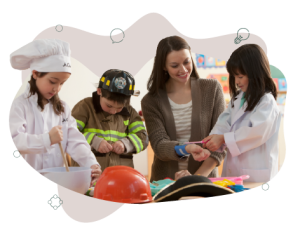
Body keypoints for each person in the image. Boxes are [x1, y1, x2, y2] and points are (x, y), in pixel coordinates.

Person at [8, 39, 101, 187]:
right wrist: (47, 139)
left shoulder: (62, 108)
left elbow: (75, 141)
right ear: (36, 74)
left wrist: (92, 164)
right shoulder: (20, 105)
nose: (57, 88)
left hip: (58, 182)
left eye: (62, 83)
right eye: (53, 81)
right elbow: (16, 140)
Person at [141, 36, 226, 182]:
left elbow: (221, 141)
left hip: (204, 181)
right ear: (163, 66)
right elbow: (159, 145)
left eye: (187, 62)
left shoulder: (212, 89)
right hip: (165, 183)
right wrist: (186, 149)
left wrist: (196, 178)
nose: (183, 69)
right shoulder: (151, 101)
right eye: (175, 65)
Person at [202, 44, 280, 183]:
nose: (237, 81)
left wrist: (223, 139)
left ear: (255, 73)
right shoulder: (238, 98)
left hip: (256, 173)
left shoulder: (266, 102)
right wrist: (213, 140)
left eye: (240, 76)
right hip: (235, 170)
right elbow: (224, 122)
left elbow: (256, 133)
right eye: (234, 76)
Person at [70, 69, 148, 171]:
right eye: (109, 105)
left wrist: (125, 144)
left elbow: (143, 137)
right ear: (99, 91)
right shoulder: (85, 107)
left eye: (119, 107)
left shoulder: (130, 112)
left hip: (121, 174)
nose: (113, 111)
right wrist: (94, 141)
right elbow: (70, 133)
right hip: (89, 174)